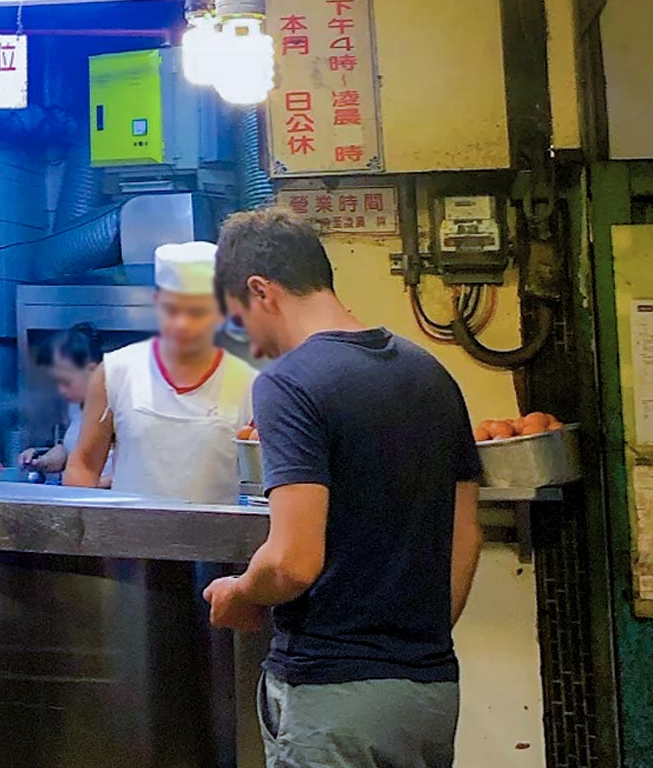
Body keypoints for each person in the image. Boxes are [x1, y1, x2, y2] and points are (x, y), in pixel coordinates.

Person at [201, 210, 483, 768]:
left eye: (241, 321)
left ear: (262, 291)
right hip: (428, 693)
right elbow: (465, 537)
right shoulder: (432, 374)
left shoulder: (288, 384)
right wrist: (405, 650)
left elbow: (292, 562)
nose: (251, 343)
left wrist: (239, 592)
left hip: (332, 698)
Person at [64, 240, 255, 502]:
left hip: (215, 540)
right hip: (126, 538)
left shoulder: (248, 382)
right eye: (171, 309)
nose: (182, 324)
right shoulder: (116, 372)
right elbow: (83, 465)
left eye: (197, 312)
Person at [19, 323, 112, 486]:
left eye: (66, 382)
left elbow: (135, 473)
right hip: (78, 499)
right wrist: (42, 461)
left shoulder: (118, 406)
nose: (61, 390)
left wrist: (88, 484)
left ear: (92, 370)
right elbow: (68, 450)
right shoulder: (76, 407)